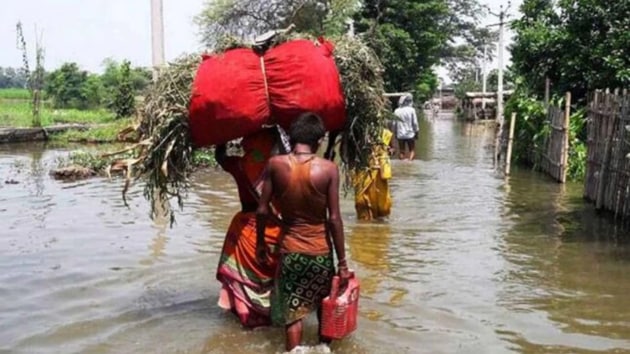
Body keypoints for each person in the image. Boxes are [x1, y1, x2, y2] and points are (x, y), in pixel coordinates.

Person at [255, 113, 350, 352]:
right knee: (324, 310)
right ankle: (323, 349)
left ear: (291, 137)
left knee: (293, 315)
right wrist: (343, 263)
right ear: (319, 140)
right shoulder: (329, 169)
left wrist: (260, 244)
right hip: (320, 253)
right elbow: (334, 219)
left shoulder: (276, 165)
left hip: (291, 252)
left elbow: (262, 209)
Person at [215, 127, 289, 328]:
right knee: (273, 280)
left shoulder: (240, 165)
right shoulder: (283, 169)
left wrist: (221, 134)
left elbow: (220, 157)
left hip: (246, 230)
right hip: (276, 231)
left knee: (242, 280)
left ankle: (246, 317)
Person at [353, 128, 393, 221]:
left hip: (379, 173)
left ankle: (376, 232)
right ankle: (365, 230)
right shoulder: (356, 133)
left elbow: (390, 148)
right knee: (361, 202)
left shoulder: (384, 133)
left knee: (382, 208)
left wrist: (386, 152)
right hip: (363, 172)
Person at [394, 94, 419, 160]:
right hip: (410, 134)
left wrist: (395, 134)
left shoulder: (396, 111)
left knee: (401, 151)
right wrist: (416, 133)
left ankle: (402, 164)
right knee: (412, 151)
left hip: (400, 134)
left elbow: (394, 124)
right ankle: (410, 164)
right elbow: (415, 123)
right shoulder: (411, 110)